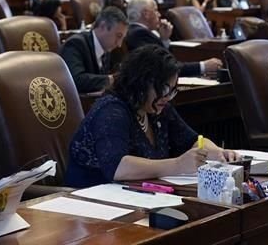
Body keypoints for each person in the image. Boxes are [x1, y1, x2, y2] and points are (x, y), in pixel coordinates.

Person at [65, 45, 236, 187]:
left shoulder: (157, 108)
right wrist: (177, 165)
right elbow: (117, 167)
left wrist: (218, 153)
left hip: (134, 196)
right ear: (141, 83)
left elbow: (192, 140)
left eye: (172, 90)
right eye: (163, 89)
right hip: (91, 201)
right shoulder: (111, 110)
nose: (167, 96)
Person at [124, 0, 222, 78]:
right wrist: (203, 66)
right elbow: (166, 67)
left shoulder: (138, 32)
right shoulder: (139, 34)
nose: (159, 14)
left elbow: (164, 61)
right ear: (146, 14)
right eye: (156, 10)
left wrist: (164, 39)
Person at [60, 7, 127, 94]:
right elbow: (75, 80)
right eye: (118, 36)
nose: (119, 44)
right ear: (103, 26)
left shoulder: (106, 48)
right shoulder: (76, 44)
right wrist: (112, 79)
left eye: (122, 38)